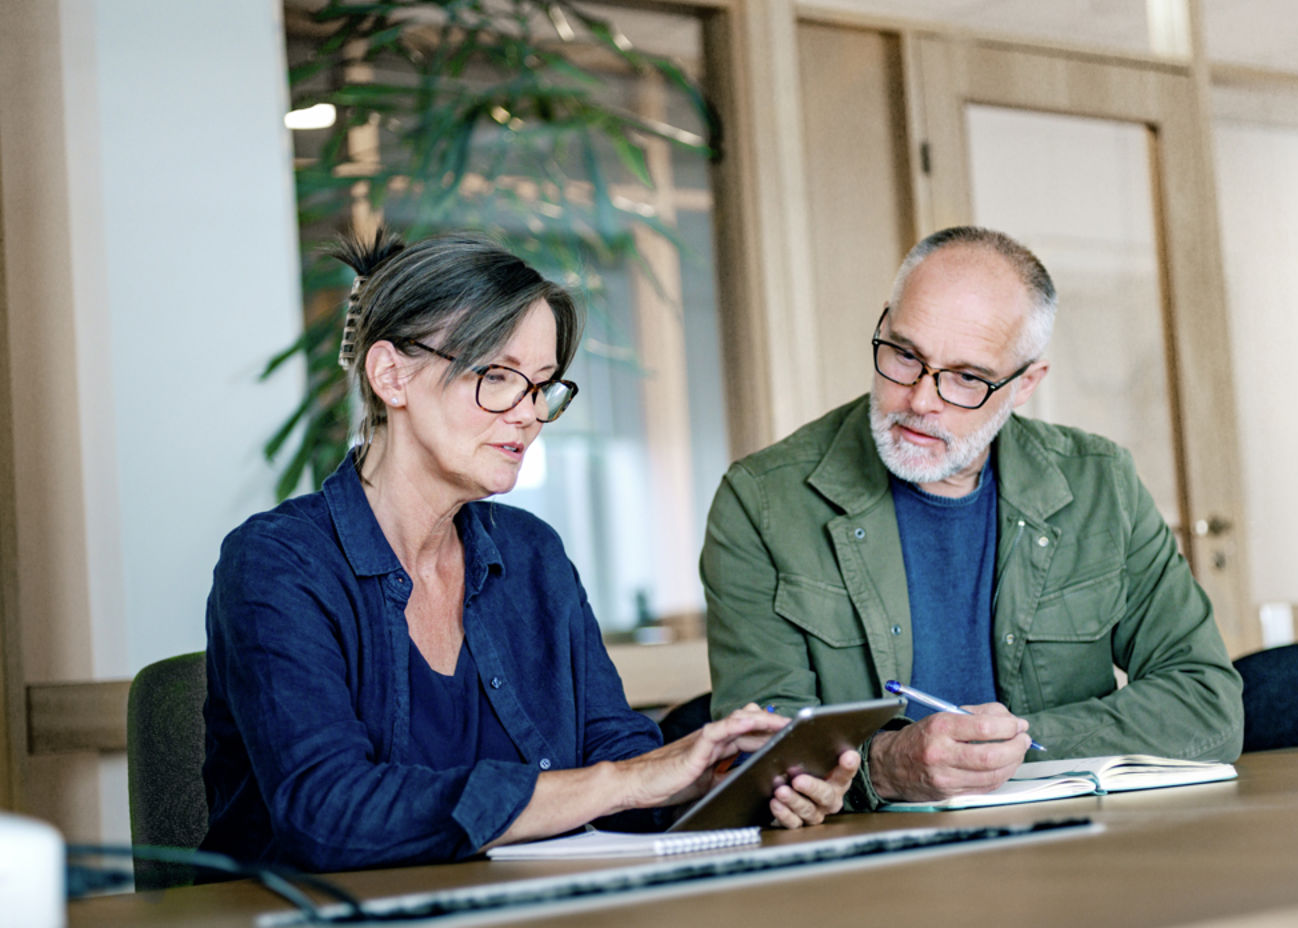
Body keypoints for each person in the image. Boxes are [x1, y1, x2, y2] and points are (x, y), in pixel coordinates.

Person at [202, 230, 857, 872]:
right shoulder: (277, 563)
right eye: (498, 376)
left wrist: (729, 780)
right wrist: (616, 783)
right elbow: (329, 814)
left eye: (542, 385)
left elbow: (616, 751)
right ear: (390, 375)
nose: (529, 413)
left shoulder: (531, 555)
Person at [701, 226, 1243, 810]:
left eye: (967, 377)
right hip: (871, 862)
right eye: (905, 354)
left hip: (1070, 843)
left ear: (1026, 383)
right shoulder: (761, 500)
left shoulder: (1100, 482)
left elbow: (1207, 702)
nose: (921, 400)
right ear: (884, 325)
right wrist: (884, 766)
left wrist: (1009, 749)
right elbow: (754, 748)